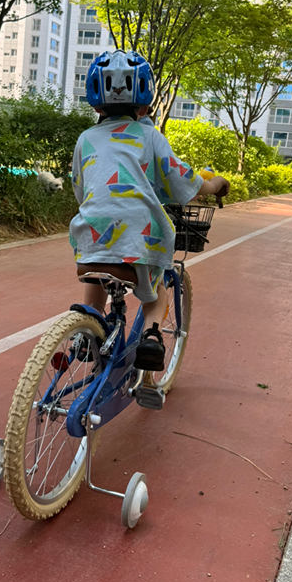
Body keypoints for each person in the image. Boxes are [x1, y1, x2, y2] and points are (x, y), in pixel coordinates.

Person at [70, 50, 229, 373]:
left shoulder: (85, 138)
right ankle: (153, 337)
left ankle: (88, 326)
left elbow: (80, 185)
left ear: (96, 105)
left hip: (90, 234)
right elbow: (182, 179)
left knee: (99, 272)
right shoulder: (150, 135)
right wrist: (215, 186)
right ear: (144, 106)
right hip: (139, 237)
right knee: (155, 290)